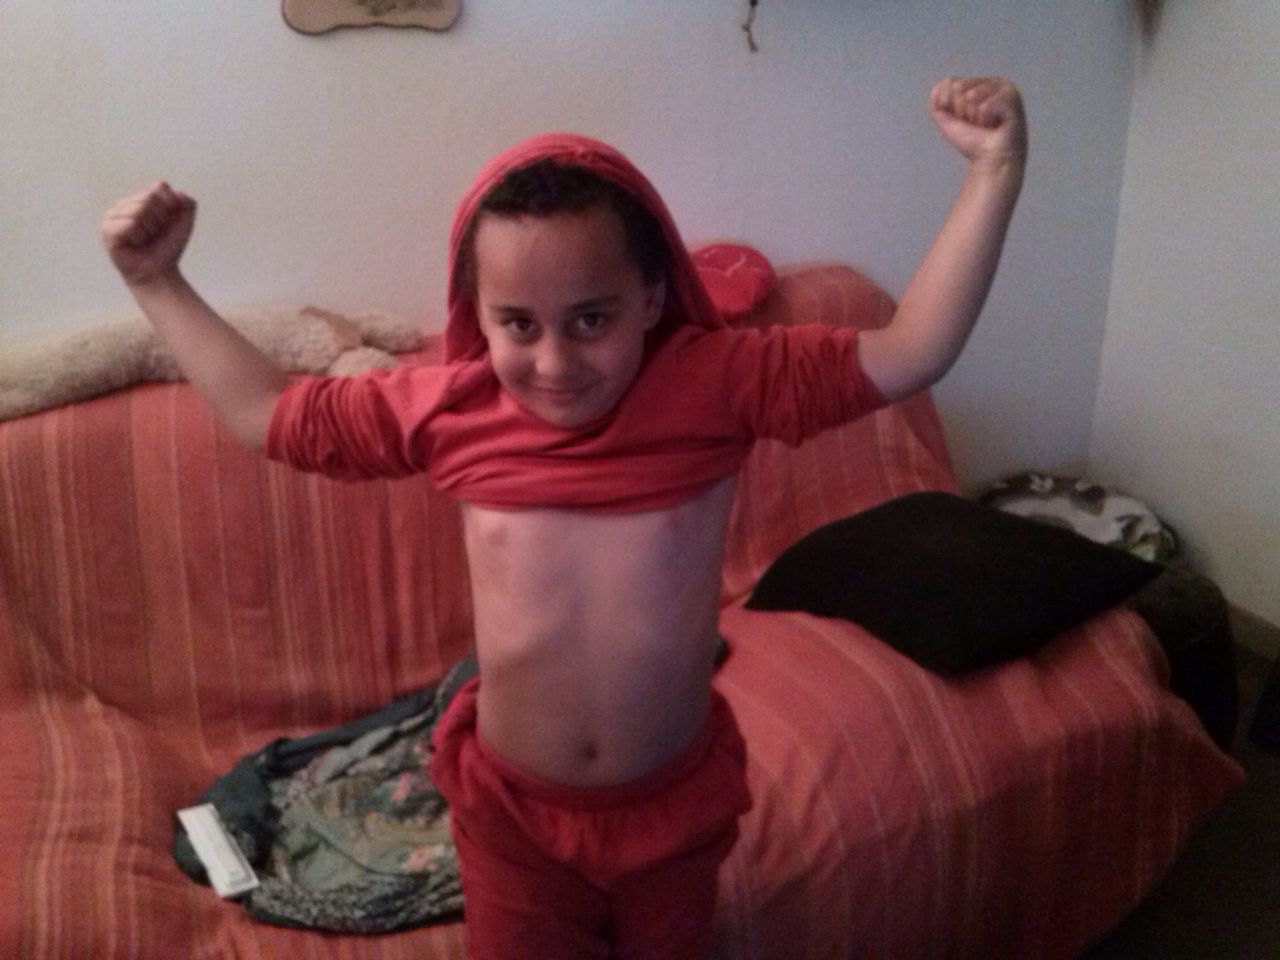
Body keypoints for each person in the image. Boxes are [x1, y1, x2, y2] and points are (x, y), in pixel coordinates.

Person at [102, 76, 1027, 958]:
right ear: (478, 314)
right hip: (513, 819)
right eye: (519, 324)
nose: (554, 363)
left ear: (652, 297)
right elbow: (270, 414)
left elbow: (911, 349)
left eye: (591, 320)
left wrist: (993, 170)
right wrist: (157, 282)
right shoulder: (451, 408)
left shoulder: (721, 381)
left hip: (674, 803)